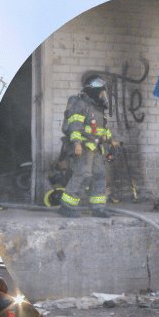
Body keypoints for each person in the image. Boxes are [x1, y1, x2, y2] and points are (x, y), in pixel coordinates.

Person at [59, 75, 117, 218]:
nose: (103, 94)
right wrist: (77, 144)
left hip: (96, 148)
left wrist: (111, 140)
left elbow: (101, 129)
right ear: (92, 89)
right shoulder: (80, 104)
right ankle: (67, 206)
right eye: (101, 91)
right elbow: (74, 126)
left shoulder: (97, 108)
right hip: (84, 146)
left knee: (99, 175)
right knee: (83, 174)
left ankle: (98, 208)